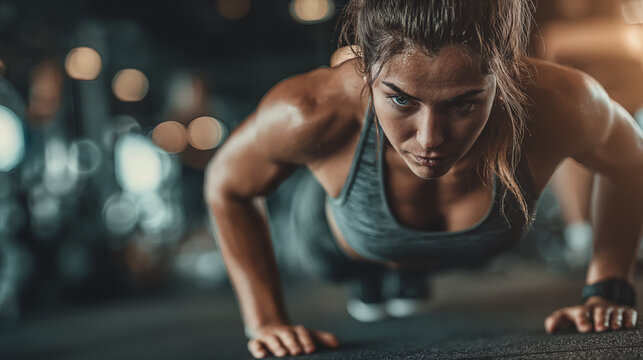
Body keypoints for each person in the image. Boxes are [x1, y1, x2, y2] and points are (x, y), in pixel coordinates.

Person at [204, 1, 643, 358]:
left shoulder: (562, 103)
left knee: (416, 273)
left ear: (503, 75)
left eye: (463, 104)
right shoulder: (312, 109)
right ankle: (375, 274)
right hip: (333, 239)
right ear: (365, 72)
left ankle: (407, 270)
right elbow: (226, 184)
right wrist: (265, 321)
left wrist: (607, 286)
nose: (429, 139)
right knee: (337, 253)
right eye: (400, 99)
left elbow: (631, 161)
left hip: (458, 250)